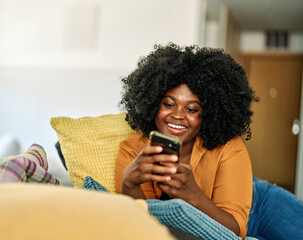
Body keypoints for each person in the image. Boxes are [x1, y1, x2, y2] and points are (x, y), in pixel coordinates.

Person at [115, 43, 303, 240]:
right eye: (169, 104)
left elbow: (235, 230)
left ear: (206, 115)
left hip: (259, 206)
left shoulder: (228, 146)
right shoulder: (132, 150)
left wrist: (192, 194)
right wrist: (130, 184)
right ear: (153, 104)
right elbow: (142, 225)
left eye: (192, 109)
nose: (177, 116)